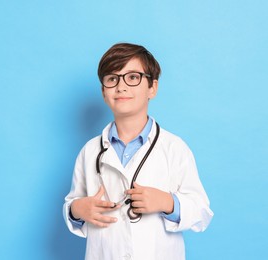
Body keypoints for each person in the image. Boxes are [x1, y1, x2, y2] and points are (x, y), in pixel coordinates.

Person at [63, 43, 213, 260]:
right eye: (112, 79)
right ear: (104, 92)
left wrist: (167, 202)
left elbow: (201, 213)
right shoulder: (90, 151)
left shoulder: (174, 148)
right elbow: (72, 204)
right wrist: (77, 210)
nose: (121, 87)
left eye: (132, 77)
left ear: (152, 87)